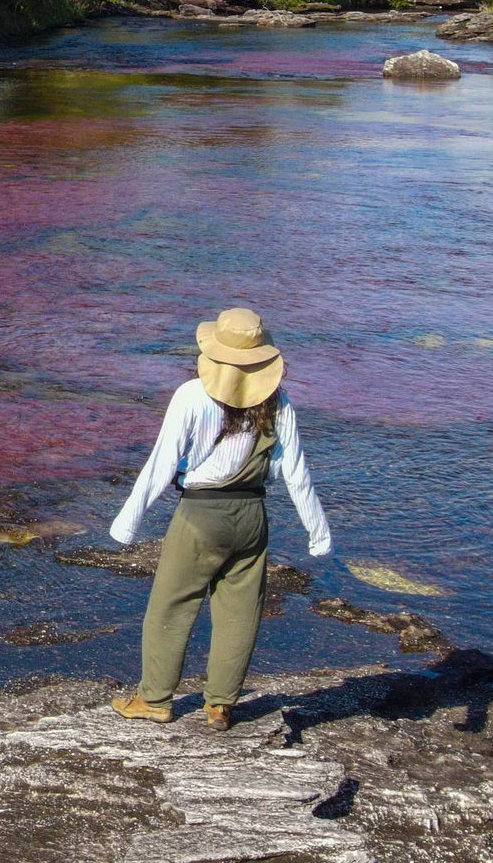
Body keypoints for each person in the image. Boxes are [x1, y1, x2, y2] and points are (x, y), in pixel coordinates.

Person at [106, 307, 332, 729]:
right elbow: (297, 474)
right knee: (240, 612)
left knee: (171, 605)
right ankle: (220, 706)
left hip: (200, 515)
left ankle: (154, 699)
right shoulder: (278, 403)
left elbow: (161, 465)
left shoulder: (191, 396)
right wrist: (317, 533)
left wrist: (126, 523)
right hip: (252, 516)